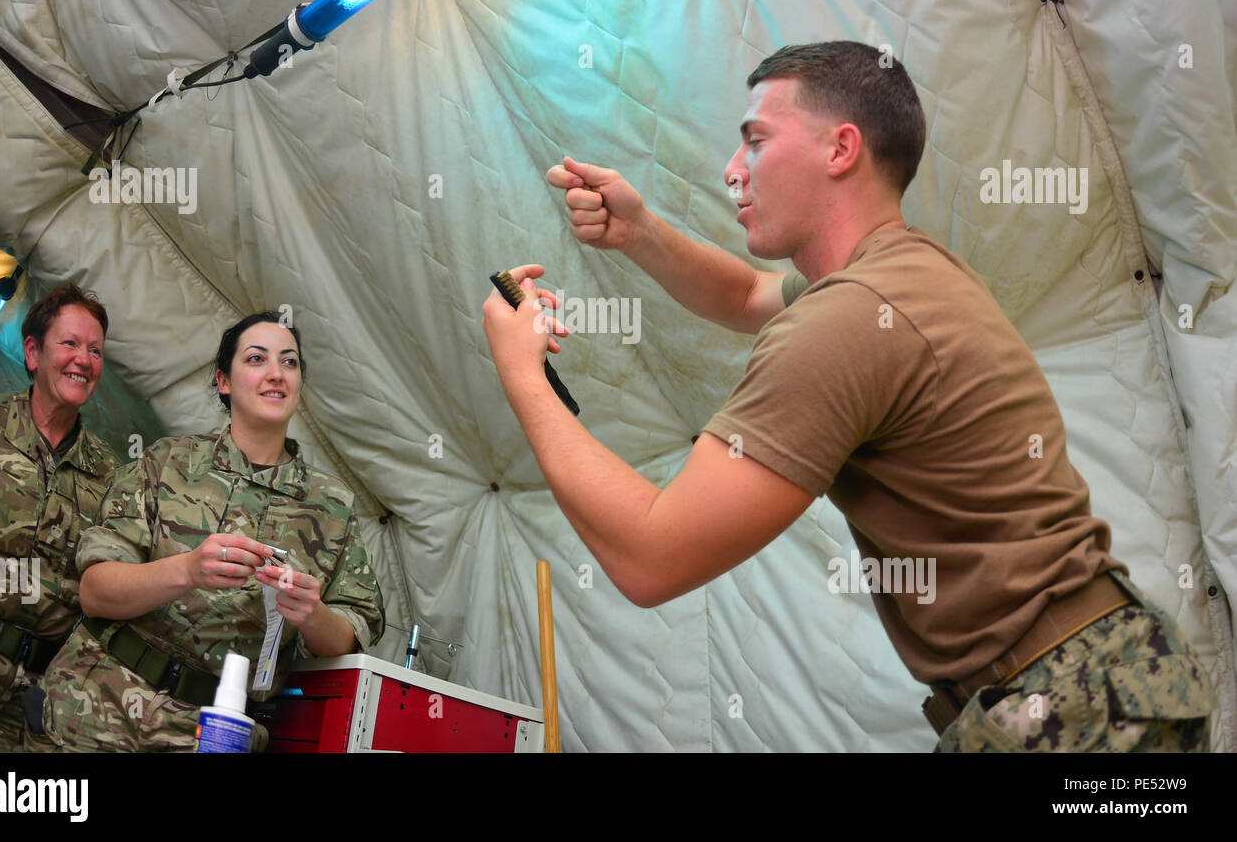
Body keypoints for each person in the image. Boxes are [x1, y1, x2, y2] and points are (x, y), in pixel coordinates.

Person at [482, 41, 1212, 752]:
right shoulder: (907, 270)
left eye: (756, 143)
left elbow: (651, 557)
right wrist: (639, 232)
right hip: (1104, 678)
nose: (732, 172)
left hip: (1069, 709)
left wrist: (521, 375)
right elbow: (744, 294)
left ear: (840, 150)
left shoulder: (849, 322)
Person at [40, 310, 385, 751]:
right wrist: (187, 570)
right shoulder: (168, 462)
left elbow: (349, 637)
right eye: (257, 359)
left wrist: (311, 613)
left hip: (211, 735)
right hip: (96, 707)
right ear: (224, 381)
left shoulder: (332, 505)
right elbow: (95, 590)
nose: (276, 374)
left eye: (290, 362)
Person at [0, 283, 116, 752]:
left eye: (95, 350)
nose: (84, 359)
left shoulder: (112, 477)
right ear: (33, 353)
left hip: (27, 695)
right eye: (71, 344)